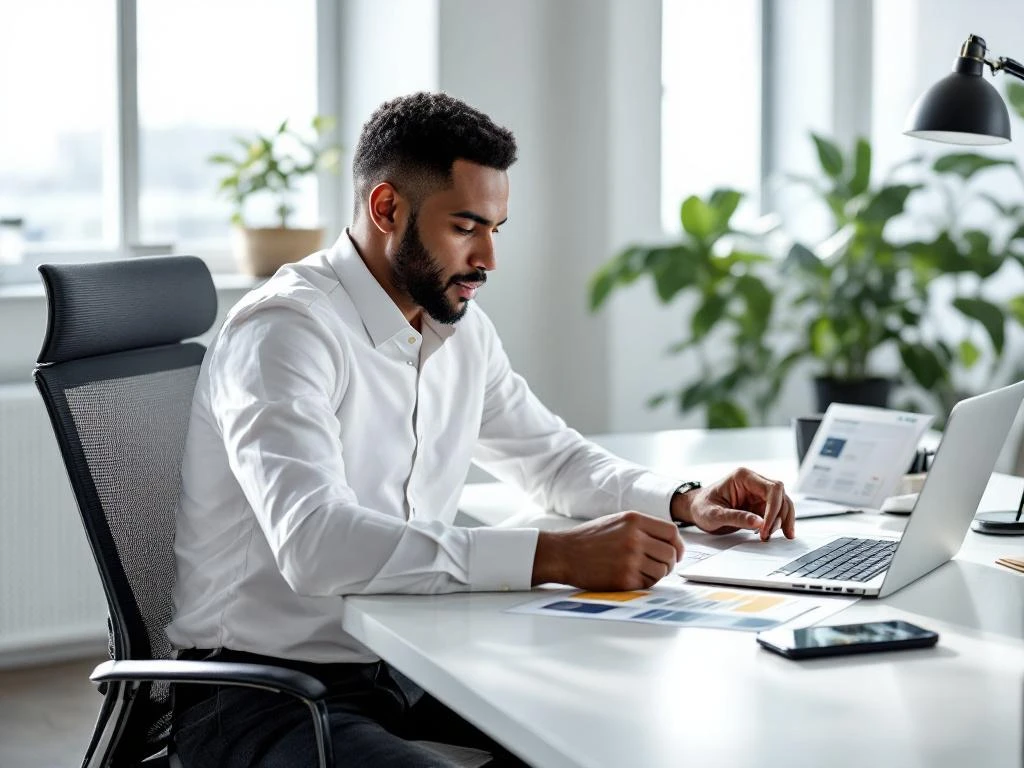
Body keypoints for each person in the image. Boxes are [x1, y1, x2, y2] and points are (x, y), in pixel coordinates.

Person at [167, 91, 796, 767]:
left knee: (627, 731)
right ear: (387, 209)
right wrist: (553, 555)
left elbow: (552, 460)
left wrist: (685, 500)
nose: (489, 258)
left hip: (407, 662)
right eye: (466, 227)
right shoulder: (287, 332)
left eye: (497, 228)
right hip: (261, 693)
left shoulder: (457, 330)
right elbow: (316, 544)